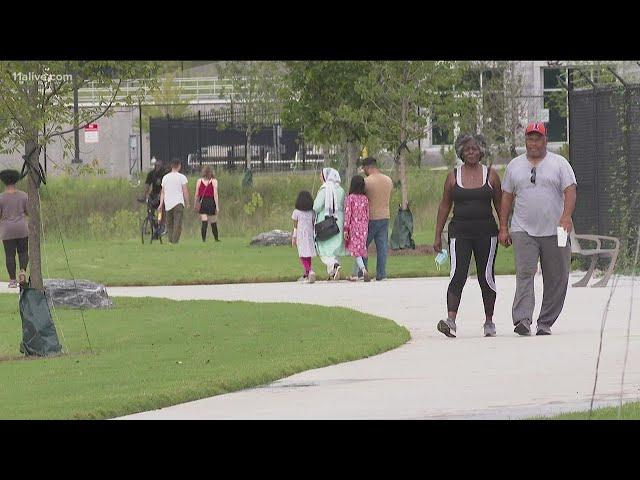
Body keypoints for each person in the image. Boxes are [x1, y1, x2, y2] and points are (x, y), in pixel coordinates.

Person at [499, 122, 577, 336]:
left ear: (545, 140)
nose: (533, 143)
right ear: (525, 141)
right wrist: (503, 227)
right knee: (525, 273)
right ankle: (522, 319)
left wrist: (566, 216)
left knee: (557, 276)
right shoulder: (514, 166)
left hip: (557, 229)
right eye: (530, 139)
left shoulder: (559, 164)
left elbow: (570, 191)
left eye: (537, 138)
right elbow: (506, 196)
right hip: (523, 229)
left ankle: (545, 322)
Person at [433, 134, 503, 338]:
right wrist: (438, 234)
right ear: (461, 152)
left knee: (486, 275)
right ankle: (451, 321)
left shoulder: (491, 175)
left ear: (482, 151)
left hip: (487, 233)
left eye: (475, 149)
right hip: (459, 232)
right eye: (467, 149)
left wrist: (504, 228)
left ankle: (489, 322)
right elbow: (444, 205)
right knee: (458, 274)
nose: (471, 152)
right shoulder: (453, 176)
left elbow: (499, 204)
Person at [349, 157, 393, 281]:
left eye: (364, 169)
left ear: (368, 167)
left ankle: (361, 272)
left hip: (370, 218)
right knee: (382, 247)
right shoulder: (388, 180)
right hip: (385, 216)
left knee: (362, 246)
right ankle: (381, 274)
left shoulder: (367, 182)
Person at [313, 167, 347, 280]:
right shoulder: (341, 190)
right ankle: (333, 273)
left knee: (324, 249)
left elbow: (316, 206)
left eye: (321, 175)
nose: (319, 177)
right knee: (335, 248)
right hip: (339, 220)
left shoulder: (324, 189)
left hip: (326, 222)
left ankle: (334, 266)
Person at [0, 170, 29, 288]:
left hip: (7, 230)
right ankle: (22, 271)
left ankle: (12, 280)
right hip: (22, 228)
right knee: (23, 252)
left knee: (9, 255)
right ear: (16, 180)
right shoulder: (23, 195)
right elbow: (28, 211)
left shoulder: (1, 198)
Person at [343, 175, 370, 282]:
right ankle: (356, 273)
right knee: (360, 249)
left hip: (354, 226)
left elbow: (348, 214)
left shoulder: (350, 198)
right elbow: (367, 214)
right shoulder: (365, 198)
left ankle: (363, 270)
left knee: (356, 251)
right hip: (363, 227)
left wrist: (346, 228)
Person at [158, 159, 190, 244]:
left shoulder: (165, 177)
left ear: (171, 166)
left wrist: (161, 203)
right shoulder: (182, 177)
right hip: (178, 203)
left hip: (168, 203)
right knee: (177, 223)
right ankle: (174, 241)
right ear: (179, 166)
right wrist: (187, 202)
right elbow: (185, 191)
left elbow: (163, 192)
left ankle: (171, 240)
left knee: (169, 223)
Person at [291, 190, 317, 284]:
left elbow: (295, 226)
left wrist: (294, 237)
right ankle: (307, 274)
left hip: (300, 235)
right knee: (308, 253)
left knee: (302, 254)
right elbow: (313, 223)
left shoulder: (296, 212)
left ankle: (309, 270)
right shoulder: (312, 212)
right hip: (310, 235)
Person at [194, 166, 220, 242]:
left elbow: (197, 194)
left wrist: (195, 203)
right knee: (213, 221)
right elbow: (215, 194)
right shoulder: (214, 181)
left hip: (203, 202)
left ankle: (203, 239)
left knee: (204, 221)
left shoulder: (199, 181)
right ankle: (216, 238)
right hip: (211, 202)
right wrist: (217, 206)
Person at [141, 157, 167, 234]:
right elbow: (147, 185)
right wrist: (144, 196)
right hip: (153, 194)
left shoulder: (164, 174)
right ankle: (155, 228)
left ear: (162, 166)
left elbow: (165, 187)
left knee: (161, 209)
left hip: (162, 194)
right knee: (150, 211)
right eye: (156, 166)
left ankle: (162, 225)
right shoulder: (151, 174)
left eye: (159, 166)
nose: (157, 167)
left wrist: (161, 195)